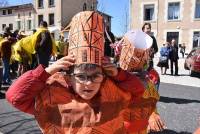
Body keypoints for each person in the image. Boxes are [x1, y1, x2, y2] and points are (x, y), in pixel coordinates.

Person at [6, 11, 156, 134]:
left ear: (103, 76)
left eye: (95, 76)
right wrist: (45, 72)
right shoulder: (53, 96)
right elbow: (15, 97)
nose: (88, 82)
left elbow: (138, 89)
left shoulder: (113, 92)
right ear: (69, 77)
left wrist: (118, 74)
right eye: (81, 76)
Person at [114, 30, 166, 133]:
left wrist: (153, 114)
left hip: (141, 128)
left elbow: (152, 102)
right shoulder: (115, 81)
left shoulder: (148, 83)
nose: (136, 74)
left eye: (138, 72)